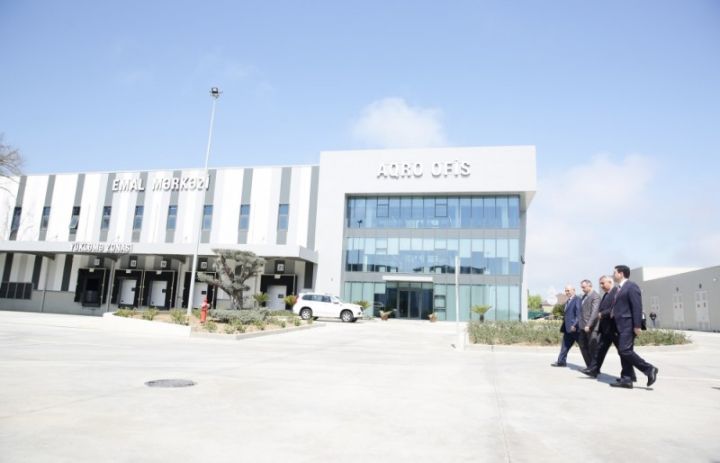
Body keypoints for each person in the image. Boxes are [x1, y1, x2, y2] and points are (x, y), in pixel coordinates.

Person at [609, 265, 659, 389]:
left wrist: (637, 325)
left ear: (621, 274)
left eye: (614, 272)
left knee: (624, 350)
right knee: (624, 351)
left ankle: (649, 369)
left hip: (628, 324)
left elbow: (637, 306)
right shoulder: (619, 288)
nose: (613, 275)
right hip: (620, 325)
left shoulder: (631, 286)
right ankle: (626, 379)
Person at [580, 276, 632, 380]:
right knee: (600, 351)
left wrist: (601, 314)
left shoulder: (616, 292)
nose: (601, 286)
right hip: (606, 329)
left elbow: (614, 308)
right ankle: (594, 369)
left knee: (623, 353)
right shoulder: (606, 294)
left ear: (610, 282)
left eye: (603, 283)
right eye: (600, 283)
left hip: (614, 328)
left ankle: (632, 374)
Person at [551, 285, 580, 367]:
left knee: (583, 347)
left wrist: (574, 325)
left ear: (573, 290)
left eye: (568, 290)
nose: (567, 292)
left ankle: (591, 365)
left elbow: (578, 314)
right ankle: (561, 361)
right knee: (564, 346)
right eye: (566, 291)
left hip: (574, 329)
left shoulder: (577, 300)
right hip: (567, 328)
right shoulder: (568, 301)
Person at [577, 279, 600, 367]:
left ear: (590, 286)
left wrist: (588, 324)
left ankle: (594, 368)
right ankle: (589, 366)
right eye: (581, 287)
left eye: (584, 287)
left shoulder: (595, 296)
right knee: (582, 346)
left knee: (592, 348)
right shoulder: (584, 297)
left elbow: (594, 312)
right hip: (582, 326)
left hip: (591, 327)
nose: (582, 289)